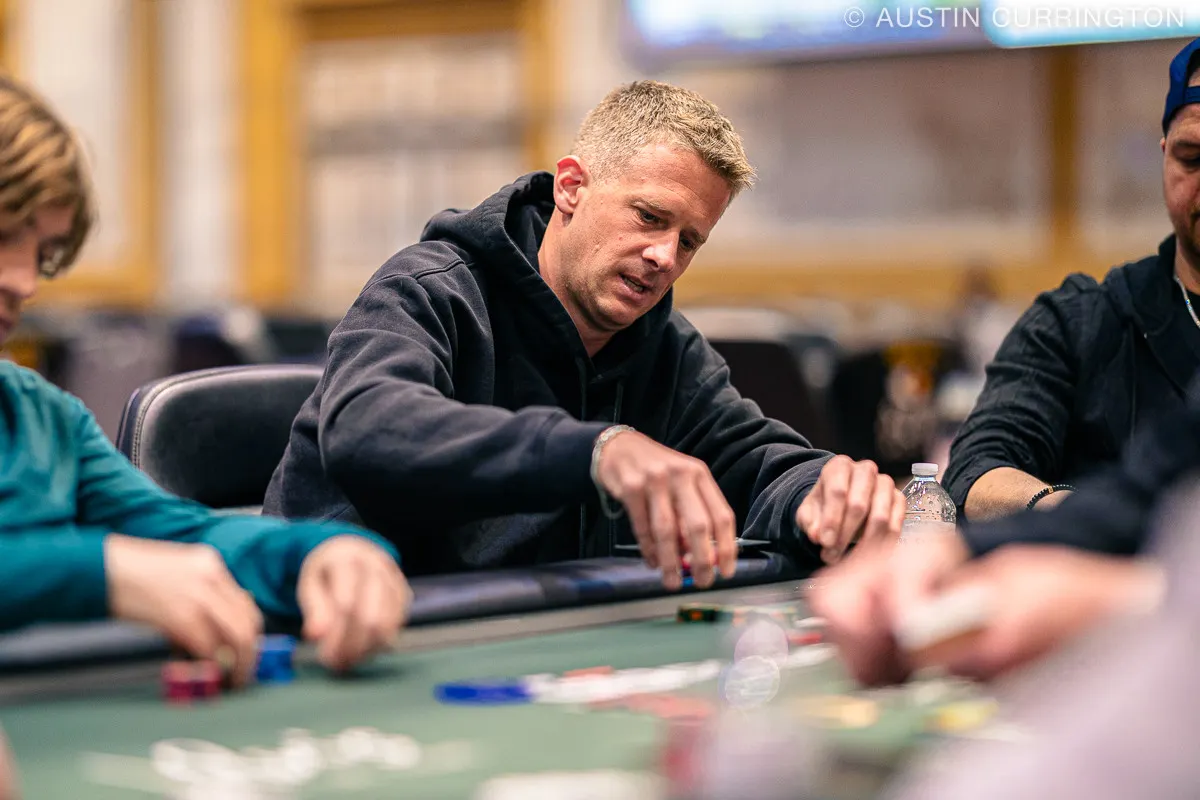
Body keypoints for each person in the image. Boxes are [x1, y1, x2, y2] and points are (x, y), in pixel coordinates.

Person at [264, 80, 903, 587]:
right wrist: (599, 450)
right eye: (648, 217)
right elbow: (369, 427)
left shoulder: (665, 347)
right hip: (358, 635)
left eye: (689, 241)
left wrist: (824, 492)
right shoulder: (430, 288)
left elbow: (753, 461)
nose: (664, 257)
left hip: (533, 641)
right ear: (571, 187)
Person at [0, 74, 410, 682]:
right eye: (4, 235)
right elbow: (130, 566)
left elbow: (188, 539)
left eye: (43, 253)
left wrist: (325, 553)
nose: (24, 281)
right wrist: (107, 573)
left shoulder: (40, 416)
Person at [941, 37, 1200, 523]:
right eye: (1192, 158)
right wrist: (1088, 517)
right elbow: (976, 474)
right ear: (1165, 156)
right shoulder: (1076, 324)